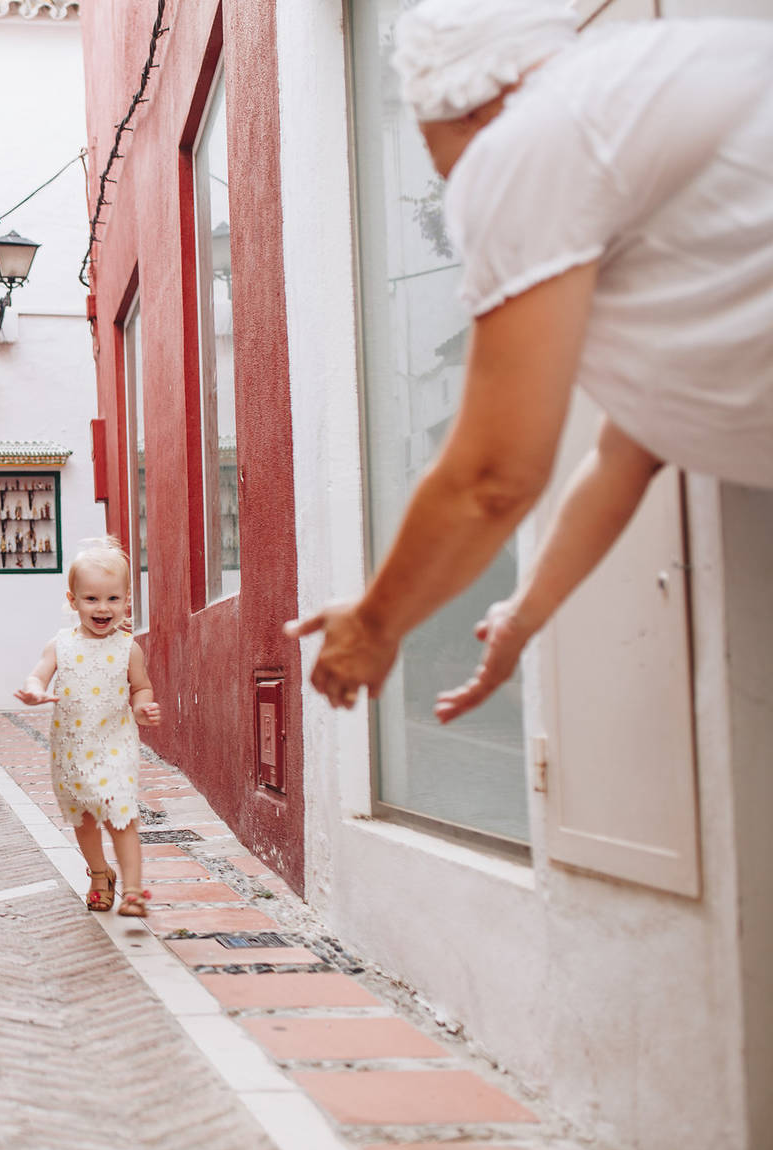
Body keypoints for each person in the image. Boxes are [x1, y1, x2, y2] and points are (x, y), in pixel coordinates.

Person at [287, 0, 773, 717]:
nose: (454, 183)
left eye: (435, 155)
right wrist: (524, 613)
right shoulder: (638, 97)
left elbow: (493, 477)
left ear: (468, 112)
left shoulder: (532, 140)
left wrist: (375, 624)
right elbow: (628, 450)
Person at [15, 538, 162, 918]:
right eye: (92, 599)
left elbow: (140, 686)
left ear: (127, 601)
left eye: (113, 599)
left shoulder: (129, 648)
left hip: (115, 745)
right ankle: (100, 874)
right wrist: (33, 692)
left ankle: (132, 890)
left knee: (121, 813)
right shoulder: (60, 645)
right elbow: (38, 676)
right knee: (83, 818)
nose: (102, 608)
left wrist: (143, 707)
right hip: (72, 750)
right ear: (73, 600)